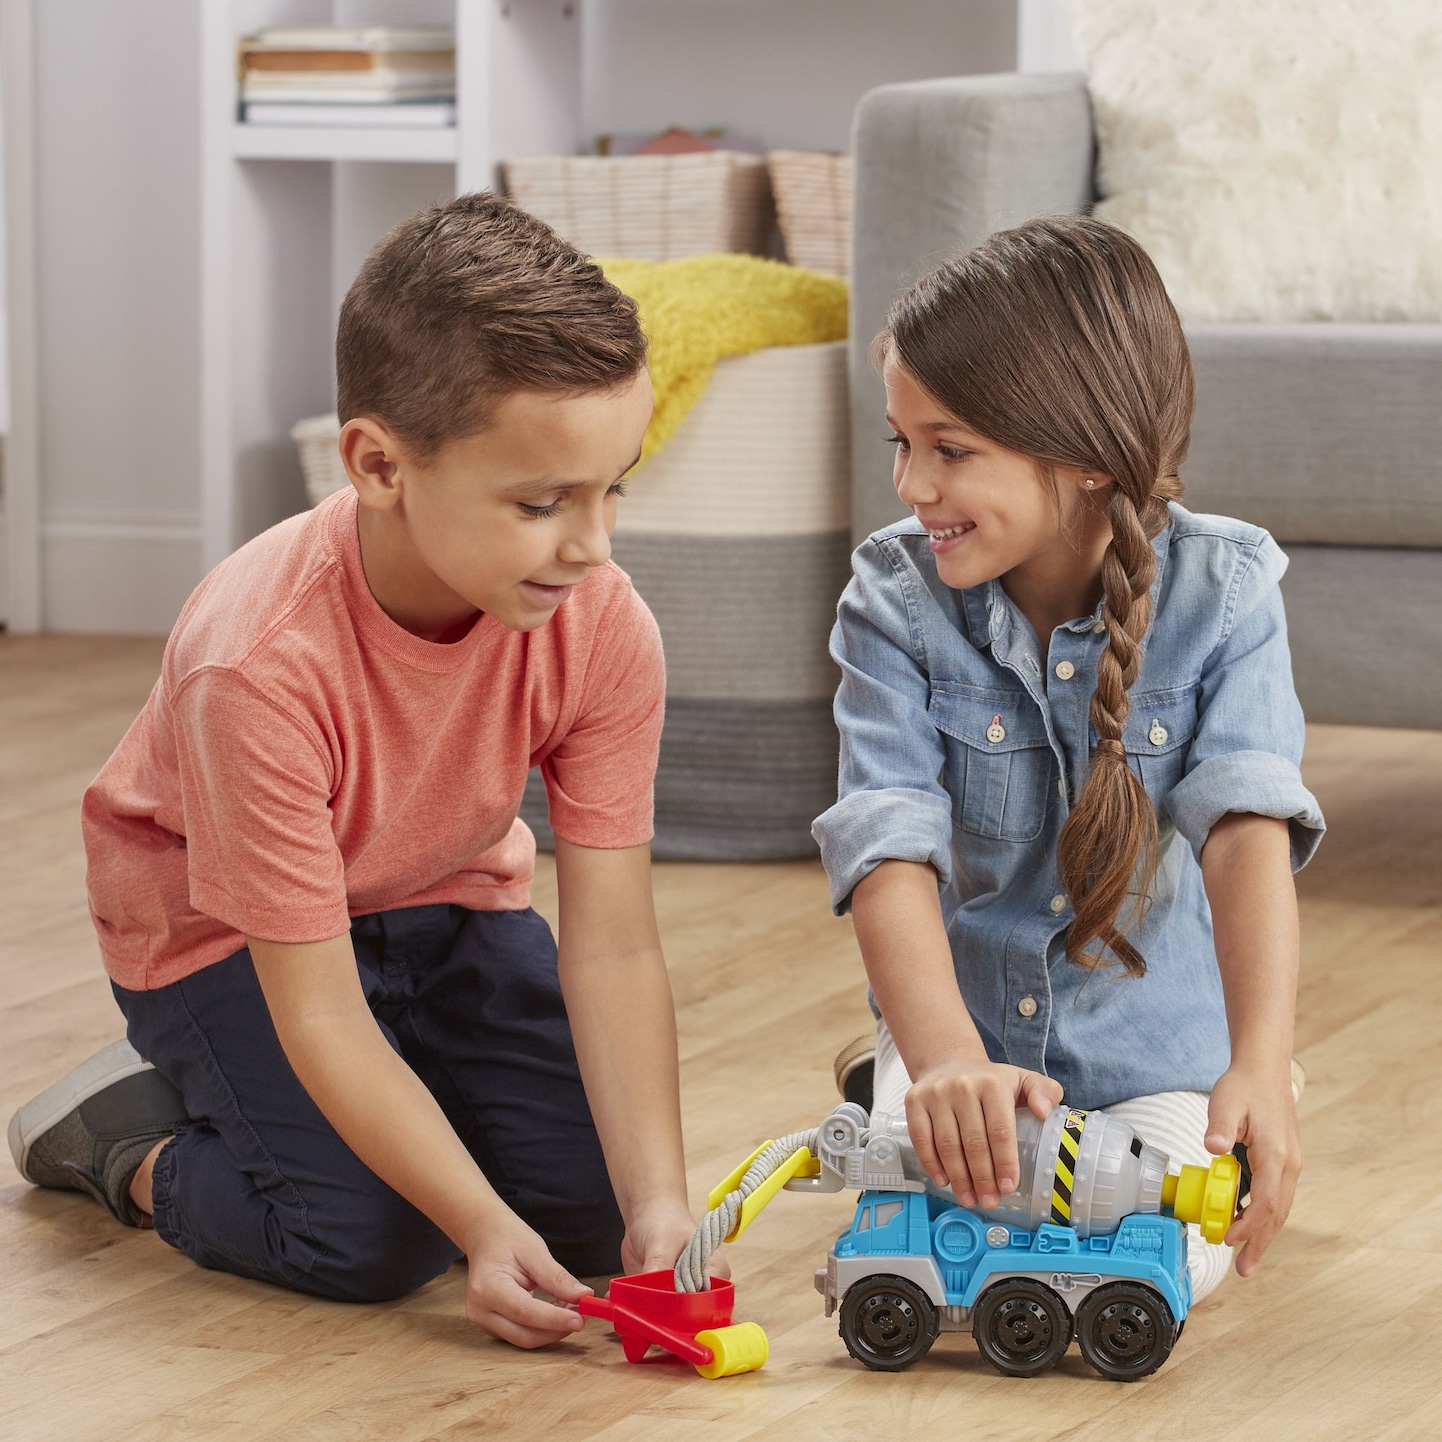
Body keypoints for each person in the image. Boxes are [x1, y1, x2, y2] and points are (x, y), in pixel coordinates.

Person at [8, 193, 701, 1348]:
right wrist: (475, 1221)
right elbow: (322, 1010)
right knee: (374, 1241)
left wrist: (660, 1199)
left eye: (612, 484)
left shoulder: (601, 621)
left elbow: (615, 941)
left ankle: (405, 1100)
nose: (593, 545)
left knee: (590, 1214)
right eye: (541, 503)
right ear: (378, 463)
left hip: (441, 900)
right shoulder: (255, 661)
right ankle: (132, 1138)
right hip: (223, 940)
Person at [813, 216, 1323, 1302]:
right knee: (960, 1191)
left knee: (1180, 1226)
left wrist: (1257, 1064)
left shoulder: (1224, 593)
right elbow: (885, 837)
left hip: (1157, 1060)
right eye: (901, 442)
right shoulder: (891, 600)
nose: (910, 484)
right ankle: (899, 1079)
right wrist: (945, 1054)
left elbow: (1246, 832)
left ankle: (952, 1133)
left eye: (950, 450)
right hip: (968, 1039)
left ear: (1086, 456)